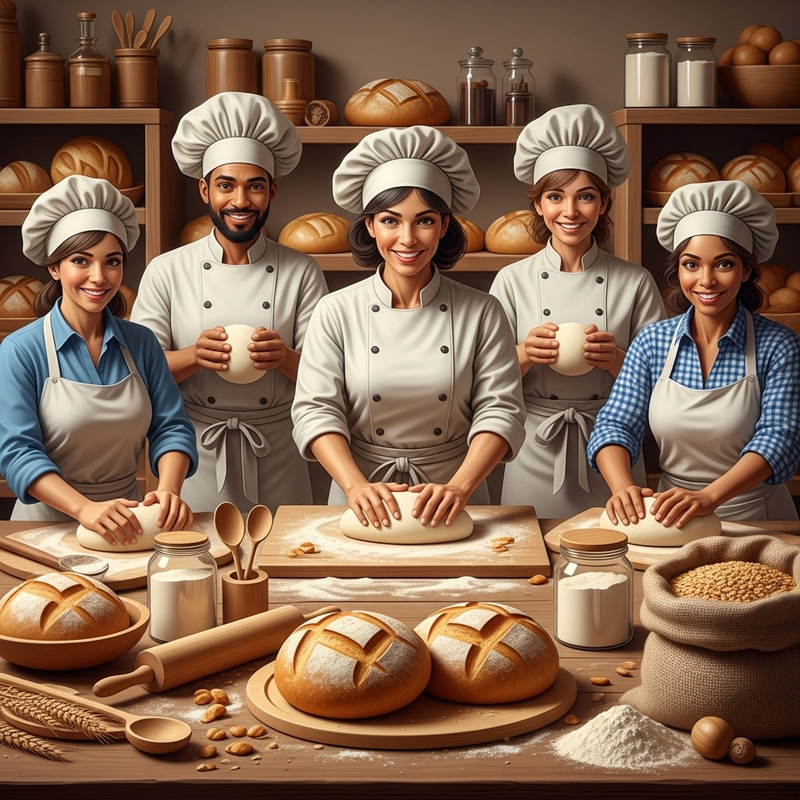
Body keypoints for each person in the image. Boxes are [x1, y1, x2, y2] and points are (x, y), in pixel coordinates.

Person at [292, 126, 526, 530]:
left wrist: (459, 488)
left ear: (444, 225)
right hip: (361, 499)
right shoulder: (335, 310)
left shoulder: (483, 311)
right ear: (370, 226)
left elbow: (501, 411)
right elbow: (316, 411)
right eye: (390, 221)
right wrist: (355, 487)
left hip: (454, 497)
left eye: (424, 221)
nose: (407, 239)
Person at [131, 92, 327, 514]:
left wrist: (285, 358)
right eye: (226, 185)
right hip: (190, 452)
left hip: (280, 449)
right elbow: (138, 369)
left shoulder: (302, 270)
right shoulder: (166, 270)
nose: (240, 201)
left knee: (286, 566)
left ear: (272, 190)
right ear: (205, 190)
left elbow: (329, 376)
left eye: (255, 186)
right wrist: (193, 356)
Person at [588, 180, 800, 525]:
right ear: (678, 271)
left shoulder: (778, 345)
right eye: (691, 265)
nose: (706, 280)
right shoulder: (652, 342)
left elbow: (781, 438)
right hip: (675, 519)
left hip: (757, 519)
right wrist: (622, 487)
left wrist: (710, 496)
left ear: (746, 271)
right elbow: (616, 423)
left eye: (724, 264)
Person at [0, 176, 197, 545]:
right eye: (80, 261)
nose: (98, 277)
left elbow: (171, 427)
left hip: (130, 524)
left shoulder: (141, 344)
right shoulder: (20, 351)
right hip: (46, 527)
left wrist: (169, 491)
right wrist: (84, 508)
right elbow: (18, 453)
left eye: (112, 262)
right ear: (54, 268)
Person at [489, 104, 665, 518]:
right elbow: (484, 385)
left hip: (614, 440)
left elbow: (667, 387)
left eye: (585, 197)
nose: (570, 212)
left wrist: (619, 362)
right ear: (538, 206)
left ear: (603, 204)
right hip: (531, 444)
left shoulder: (634, 281)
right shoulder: (510, 281)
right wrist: (527, 354)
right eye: (555, 197)